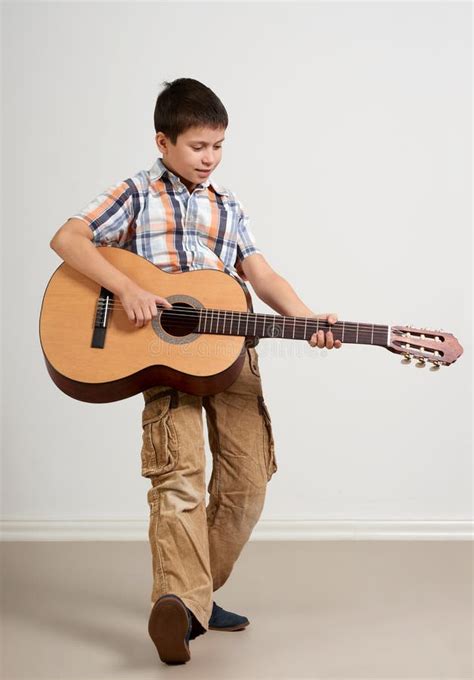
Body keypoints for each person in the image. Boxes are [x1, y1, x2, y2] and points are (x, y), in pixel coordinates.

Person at [50, 77, 342, 665]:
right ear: (164, 142)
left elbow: (261, 276)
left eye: (219, 146)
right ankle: (180, 605)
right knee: (178, 479)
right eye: (198, 147)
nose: (209, 158)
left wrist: (307, 317)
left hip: (233, 352)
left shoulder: (227, 205)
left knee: (247, 484)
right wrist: (127, 287)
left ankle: (193, 600)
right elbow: (68, 238)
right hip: (164, 360)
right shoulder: (136, 193)